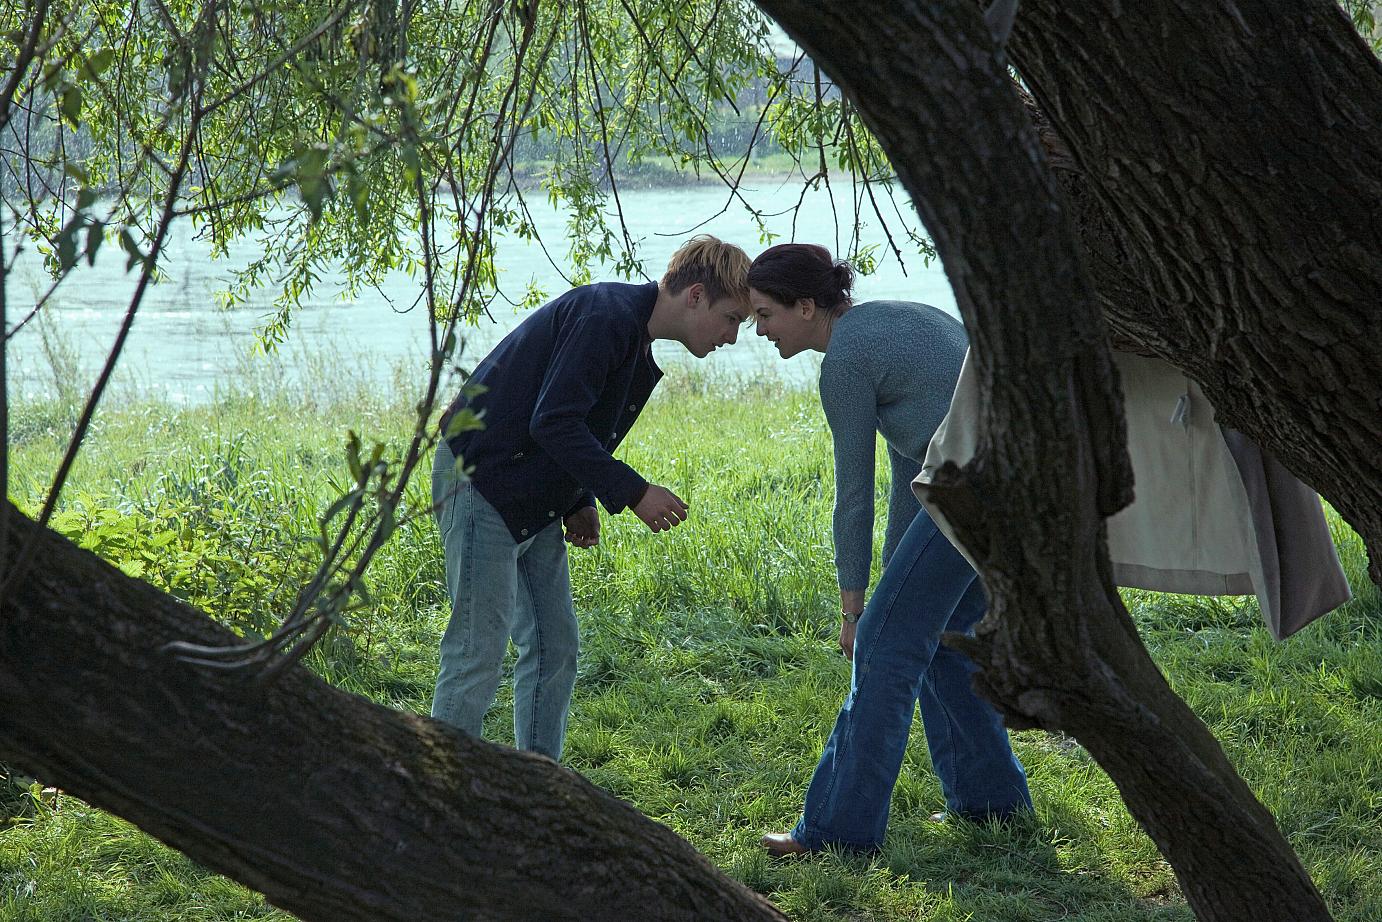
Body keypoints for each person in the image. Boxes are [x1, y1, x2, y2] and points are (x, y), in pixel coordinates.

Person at [747, 243, 1031, 856]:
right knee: (947, 639)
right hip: (1012, 485)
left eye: (765, 315)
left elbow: (854, 495)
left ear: (805, 307)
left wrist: (855, 613)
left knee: (882, 648)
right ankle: (993, 804)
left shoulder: (846, 357)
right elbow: (915, 460)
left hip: (973, 489)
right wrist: (890, 579)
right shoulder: (902, 317)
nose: (760, 330)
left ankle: (834, 832)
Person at [430, 235, 752, 760]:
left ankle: (537, 791)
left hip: (533, 492)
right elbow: (552, 420)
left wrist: (578, 495)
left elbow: (573, 421)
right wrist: (633, 490)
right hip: (483, 479)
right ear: (695, 295)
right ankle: (436, 796)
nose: (732, 337)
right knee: (476, 651)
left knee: (555, 647)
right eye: (732, 318)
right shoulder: (607, 316)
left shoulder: (634, 338)